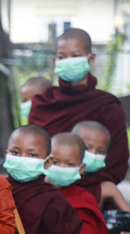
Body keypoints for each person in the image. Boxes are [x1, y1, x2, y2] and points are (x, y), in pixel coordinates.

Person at [28, 28, 129, 203]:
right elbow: (32, 153)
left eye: (75, 56)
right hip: (45, 192)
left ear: (90, 59)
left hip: (93, 196)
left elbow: (117, 162)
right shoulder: (43, 104)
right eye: (61, 57)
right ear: (54, 61)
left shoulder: (107, 106)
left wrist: (80, 188)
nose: (68, 61)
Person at [72, 121, 130, 211]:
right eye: (87, 148)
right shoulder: (58, 181)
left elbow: (127, 214)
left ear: (105, 156)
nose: (93, 155)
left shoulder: (106, 187)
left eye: (100, 152)